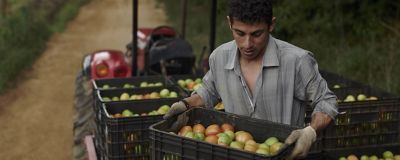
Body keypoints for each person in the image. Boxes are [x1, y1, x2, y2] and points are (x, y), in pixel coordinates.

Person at [164, 0, 338, 159]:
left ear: (271, 25)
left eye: (257, 34)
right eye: (239, 33)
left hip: (282, 154)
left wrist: (310, 131)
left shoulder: (296, 61)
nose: (247, 44)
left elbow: (326, 101)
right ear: (229, 23)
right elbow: (209, 91)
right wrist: (186, 104)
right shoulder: (219, 58)